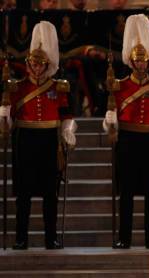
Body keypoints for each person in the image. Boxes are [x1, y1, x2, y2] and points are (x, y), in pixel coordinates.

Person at [103, 14, 149, 249]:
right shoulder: (120, 85)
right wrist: (110, 121)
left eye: (145, 61)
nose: (141, 64)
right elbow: (112, 111)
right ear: (131, 61)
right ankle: (123, 237)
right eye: (138, 61)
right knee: (125, 192)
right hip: (127, 139)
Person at [0, 21, 77, 250]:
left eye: (40, 64)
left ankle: (50, 237)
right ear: (28, 64)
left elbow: (66, 116)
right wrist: (4, 116)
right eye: (32, 63)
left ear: (47, 65)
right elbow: (8, 124)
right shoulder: (17, 88)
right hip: (25, 140)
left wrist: (68, 131)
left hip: (48, 142)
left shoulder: (58, 88)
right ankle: (21, 238)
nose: (35, 68)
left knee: (50, 193)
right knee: (23, 193)